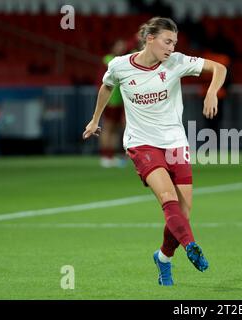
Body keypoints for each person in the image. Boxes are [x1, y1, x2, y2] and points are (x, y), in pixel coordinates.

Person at [82, 17, 227, 286]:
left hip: (175, 141)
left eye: (174, 42)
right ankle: (191, 246)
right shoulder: (119, 65)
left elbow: (219, 68)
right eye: (167, 41)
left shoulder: (176, 62)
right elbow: (107, 86)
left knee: (183, 214)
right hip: (141, 143)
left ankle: (163, 258)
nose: (172, 48)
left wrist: (211, 92)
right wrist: (95, 119)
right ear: (150, 39)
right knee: (167, 197)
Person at [98, 39, 127, 168]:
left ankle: (111, 155)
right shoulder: (108, 59)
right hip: (110, 100)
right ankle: (105, 156)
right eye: (119, 45)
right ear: (113, 47)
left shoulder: (123, 60)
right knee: (108, 128)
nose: (121, 48)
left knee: (115, 129)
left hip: (120, 99)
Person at [198, 49, 231, 135]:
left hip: (212, 94)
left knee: (211, 121)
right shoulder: (223, 58)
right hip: (216, 94)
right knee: (215, 121)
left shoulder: (207, 57)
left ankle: (211, 142)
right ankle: (213, 143)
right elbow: (228, 78)